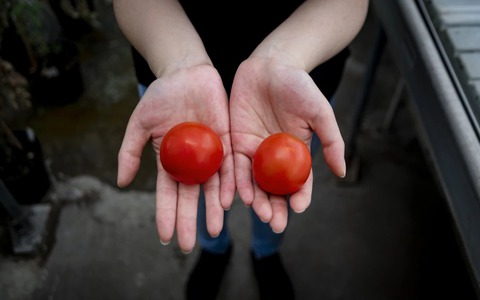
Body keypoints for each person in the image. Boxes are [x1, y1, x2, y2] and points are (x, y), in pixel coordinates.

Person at [113, 0, 369, 299]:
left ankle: (266, 252)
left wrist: (283, 59)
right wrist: (177, 62)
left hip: (293, 88)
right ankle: (214, 248)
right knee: (197, 195)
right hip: (174, 79)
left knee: (275, 198)